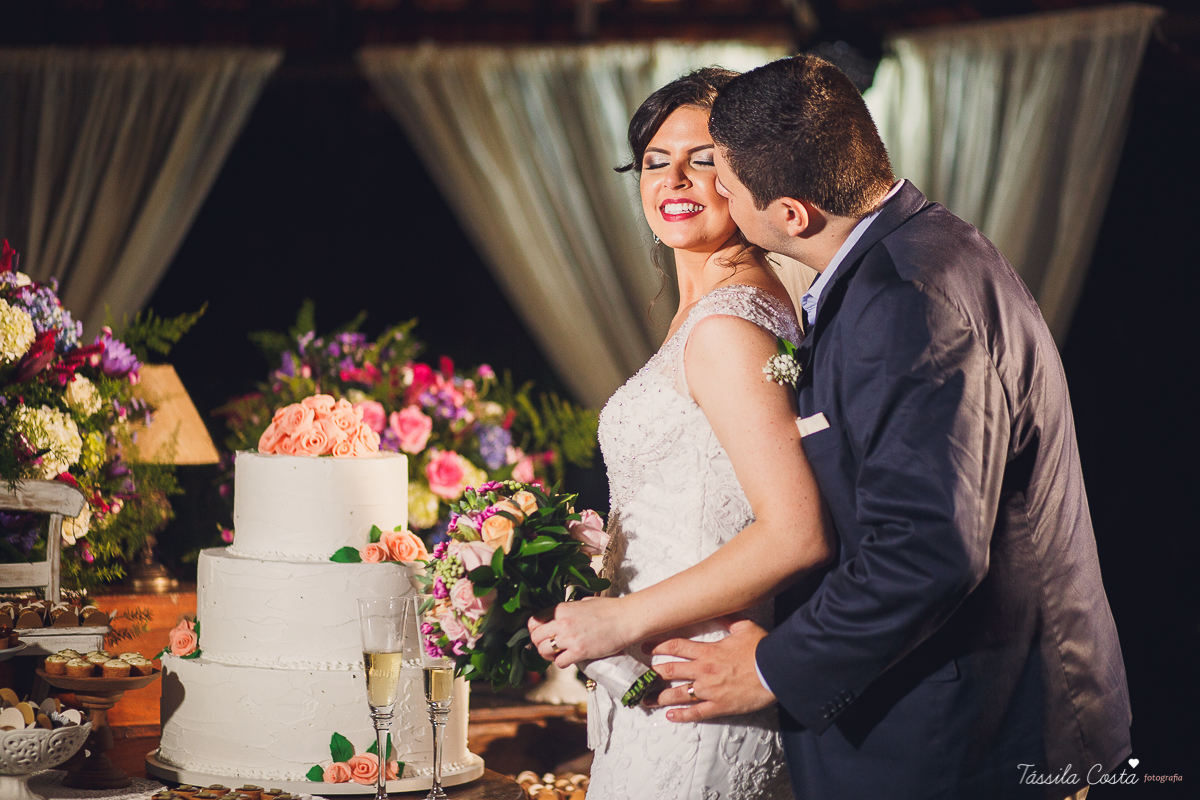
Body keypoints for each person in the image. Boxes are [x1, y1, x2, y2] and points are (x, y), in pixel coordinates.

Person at [538, 55, 1132, 799]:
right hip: (934, 707)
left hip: (966, 726)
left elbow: (926, 549)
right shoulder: (911, 262)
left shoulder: (904, 299)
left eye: (718, 169)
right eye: (657, 161)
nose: (690, 183)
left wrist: (766, 665)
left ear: (787, 213)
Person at [526, 67, 835, 800]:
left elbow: (797, 533)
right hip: (661, 682)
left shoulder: (727, 329)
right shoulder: (712, 314)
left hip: (698, 688)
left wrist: (620, 618)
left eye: (703, 160)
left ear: (745, 174)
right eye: (657, 160)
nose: (677, 179)